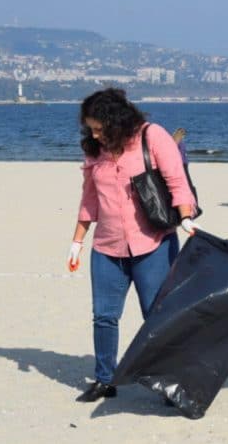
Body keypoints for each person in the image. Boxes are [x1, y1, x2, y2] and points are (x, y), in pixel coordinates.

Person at [67, 88, 199, 403]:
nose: (94, 135)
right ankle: (105, 379)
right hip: (107, 248)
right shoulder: (95, 151)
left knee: (157, 316)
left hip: (153, 244)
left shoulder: (152, 136)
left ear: (116, 121)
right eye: (90, 129)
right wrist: (77, 241)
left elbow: (177, 183)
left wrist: (185, 217)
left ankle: (168, 380)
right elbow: (89, 199)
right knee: (104, 316)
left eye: (99, 128)